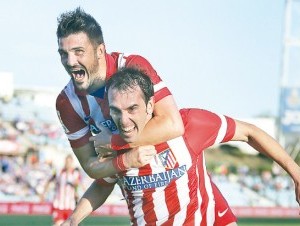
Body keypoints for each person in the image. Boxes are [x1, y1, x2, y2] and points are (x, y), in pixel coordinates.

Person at [61, 68, 300, 226]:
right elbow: (103, 184)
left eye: (132, 109)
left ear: (149, 105)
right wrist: (73, 220)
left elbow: (249, 132)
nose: (123, 120)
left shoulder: (190, 125)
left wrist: (296, 174)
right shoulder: (115, 142)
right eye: (116, 111)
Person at [55, 7, 184, 180]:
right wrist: (125, 161)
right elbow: (90, 166)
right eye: (64, 54)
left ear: (100, 51)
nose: (70, 62)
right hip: (136, 194)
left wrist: (115, 142)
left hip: (182, 176)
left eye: (79, 52)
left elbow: (173, 124)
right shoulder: (67, 103)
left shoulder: (132, 66)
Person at [42, 154, 81, 226]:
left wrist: (76, 192)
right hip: (58, 204)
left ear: (72, 163)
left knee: (70, 224)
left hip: (70, 205)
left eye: (69, 162)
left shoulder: (75, 173)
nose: (68, 164)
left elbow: (77, 184)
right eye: (67, 162)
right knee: (58, 224)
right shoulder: (59, 172)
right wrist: (44, 193)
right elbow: (49, 180)